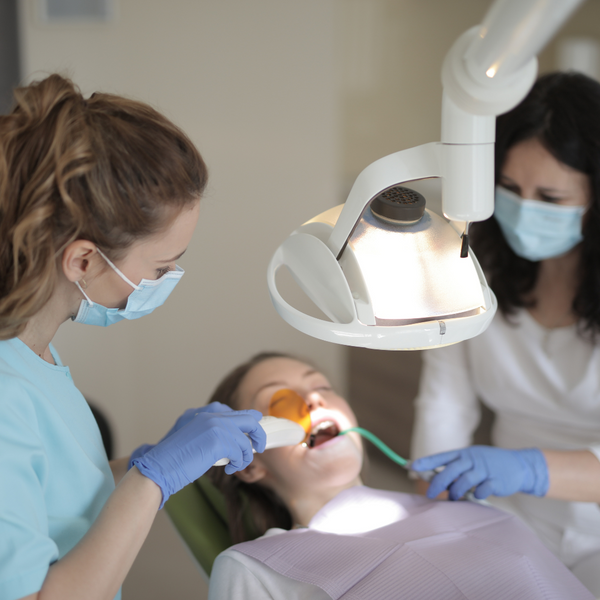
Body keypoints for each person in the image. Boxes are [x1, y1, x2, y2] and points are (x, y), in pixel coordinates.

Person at [0, 74, 267, 600]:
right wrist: (153, 480)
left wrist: (160, 464)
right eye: (162, 265)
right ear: (82, 259)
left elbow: (50, 492)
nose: (166, 281)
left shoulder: (33, 352)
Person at [410, 71, 600, 595]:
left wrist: (530, 468)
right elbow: (444, 405)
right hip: (508, 515)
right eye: (511, 190)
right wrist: (433, 494)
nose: (524, 210)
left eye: (552, 198)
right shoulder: (472, 275)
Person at [204, 352, 593, 600]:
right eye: (280, 400)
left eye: (322, 386)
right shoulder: (255, 568)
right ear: (250, 463)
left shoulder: (473, 507)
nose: (315, 400)